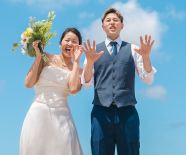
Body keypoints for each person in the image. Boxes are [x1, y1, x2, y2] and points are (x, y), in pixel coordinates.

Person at [81, 8, 156, 155]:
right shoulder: (93, 51)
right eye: (108, 20)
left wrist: (146, 57)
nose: (112, 23)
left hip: (127, 112)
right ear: (102, 27)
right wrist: (89, 63)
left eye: (115, 20)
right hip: (101, 112)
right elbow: (86, 83)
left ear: (122, 25)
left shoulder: (134, 49)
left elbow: (148, 80)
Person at [20, 27, 85, 155]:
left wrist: (76, 62)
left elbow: (73, 89)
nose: (70, 44)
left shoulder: (79, 71)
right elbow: (28, 83)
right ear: (60, 44)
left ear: (79, 47)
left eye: (74, 42)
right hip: (38, 114)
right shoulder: (46, 57)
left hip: (63, 118)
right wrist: (39, 56)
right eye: (67, 40)